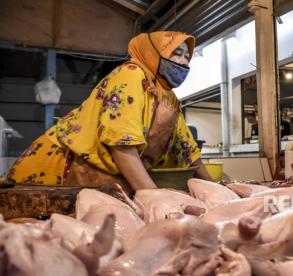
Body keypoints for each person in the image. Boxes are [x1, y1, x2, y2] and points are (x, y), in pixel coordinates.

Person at [7, 31, 211, 193]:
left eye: (187, 56)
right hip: (53, 174)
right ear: (153, 52)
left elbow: (188, 151)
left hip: (102, 180)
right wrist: (152, 196)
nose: (184, 61)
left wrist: (216, 188)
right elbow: (121, 144)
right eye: (177, 53)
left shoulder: (168, 97)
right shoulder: (131, 76)